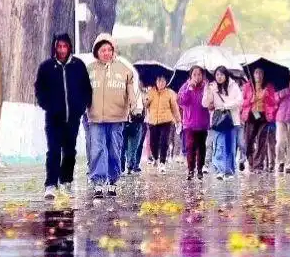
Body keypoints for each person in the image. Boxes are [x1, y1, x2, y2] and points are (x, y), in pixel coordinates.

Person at [34, 34, 92, 200]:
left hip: (72, 118)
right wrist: (48, 106)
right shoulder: (46, 67)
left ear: (69, 47)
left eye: (64, 46)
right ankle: (51, 184)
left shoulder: (78, 66)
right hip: (53, 118)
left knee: (69, 151)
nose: (61, 50)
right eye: (59, 46)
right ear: (54, 47)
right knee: (53, 150)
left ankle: (66, 181)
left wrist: (80, 107)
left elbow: (86, 89)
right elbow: (39, 90)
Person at [86, 34, 139, 198]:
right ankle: (98, 182)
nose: (106, 53)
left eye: (109, 49)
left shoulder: (124, 70)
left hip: (117, 118)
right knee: (97, 150)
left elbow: (131, 91)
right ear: (97, 51)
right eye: (103, 50)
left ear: (113, 50)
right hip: (95, 118)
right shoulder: (89, 70)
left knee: (114, 150)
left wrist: (134, 107)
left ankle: (113, 181)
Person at [204, 66, 243, 180]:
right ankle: (220, 170)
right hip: (219, 120)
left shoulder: (233, 86)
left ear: (226, 75)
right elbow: (205, 104)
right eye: (217, 75)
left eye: (221, 74)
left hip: (232, 120)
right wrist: (207, 91)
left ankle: (229, 171)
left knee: (230, 146)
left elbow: (239, 101)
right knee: (220, 145)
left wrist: (226, 106)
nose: (219, 77)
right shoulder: (212, 87)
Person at [240, 68, 278, 173]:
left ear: (264, 74)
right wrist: (250, 100)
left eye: (261, 72)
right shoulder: (248, 86)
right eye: (256, 72)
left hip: (264, 116)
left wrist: (267, 96)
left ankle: (258, 166)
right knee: (248, 141)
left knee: (262, 141)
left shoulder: (268, 87)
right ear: (253, 74)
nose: (259, 75)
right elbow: (241, 102)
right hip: (251, 116)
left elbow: (274, 104)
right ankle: (251, 162)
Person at [178, 66, 211, 180]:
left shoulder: (206, 87)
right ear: (191, 76)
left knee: (201, 147)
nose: (197, 77)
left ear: (202, 75)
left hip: (203, 123)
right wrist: (189, 89)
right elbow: (181, 101)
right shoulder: (186, 86)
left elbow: (209, 102)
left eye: (199, 74)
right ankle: (190, 170)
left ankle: (200, 169)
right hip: (189, 123)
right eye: (194, 74)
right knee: (190, 147)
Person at [144, 74, 182, 175]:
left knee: (164, 141)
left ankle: (162, 163)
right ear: (156, 82)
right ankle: (156, 158)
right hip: (153, 121)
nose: (161, 83)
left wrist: (178, 120)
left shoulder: (170, 93)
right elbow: (145, 104)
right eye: (159, 81)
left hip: (166, 121)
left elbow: (174, 108)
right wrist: (147, 98)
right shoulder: (151, 92)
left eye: (163, 81)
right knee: (153, 143)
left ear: (166, 82)